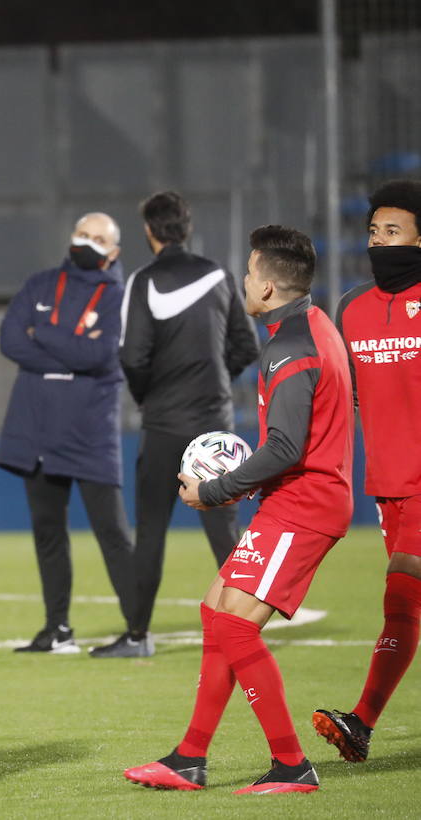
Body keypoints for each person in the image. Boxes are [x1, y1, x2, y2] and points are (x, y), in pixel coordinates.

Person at [125, 225, 353, 795]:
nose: (244, 281)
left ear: (270, 287)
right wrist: (249, 483)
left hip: (306, 504)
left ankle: (292, 765)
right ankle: (189, 759)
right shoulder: (313, 326)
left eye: (250, 273)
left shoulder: (290, 347)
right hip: (295, 496)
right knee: (215, 610)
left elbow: (286, 447)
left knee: (234, 625)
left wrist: (217, 489)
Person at [116, 191, 260, 656]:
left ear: (149, 231)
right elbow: (246, 345)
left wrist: (150, 397)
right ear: (187, 226)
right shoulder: (219, 276)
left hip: (163, 424)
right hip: (214, 425)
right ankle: (245, 629)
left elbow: (132, 357)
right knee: (224, 529)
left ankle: (138, 636)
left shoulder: (143, 281)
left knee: (151, 530)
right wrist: (216, 380)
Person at [0, 213, 141, 656]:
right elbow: (10, 340)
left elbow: (101, 354)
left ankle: (138, 630)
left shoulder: (119, 296)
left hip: (89, 432)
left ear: (114, 252)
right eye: (83, 234)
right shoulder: (40, 283)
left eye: (99, 239)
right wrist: (70, 354)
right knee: (48, 534)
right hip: (36, 429)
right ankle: (57, 628)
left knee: (112, 533)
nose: (88, 243)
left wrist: (44, 334)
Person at [314, 179, 421, 762]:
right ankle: (362, 725)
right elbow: (348, 395)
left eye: (394, 232)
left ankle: (360, 722)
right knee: (407, 605)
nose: (381, 242)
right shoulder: (352, 308)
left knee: (401, 598)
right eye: (374, 232)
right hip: (387, 486)